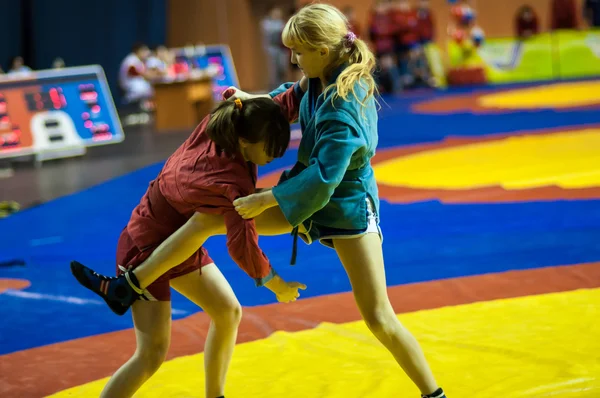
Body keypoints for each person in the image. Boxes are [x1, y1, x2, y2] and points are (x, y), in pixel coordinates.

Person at [70, 86, 306, 398]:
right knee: (150, 355)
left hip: (178, 241)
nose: (276, 156)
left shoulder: (220, 125)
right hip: (144, 246)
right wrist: (277, 284)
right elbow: (242, 245)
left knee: (227, 312)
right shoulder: (231, 184)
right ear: (246, 142)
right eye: (271, 150)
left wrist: (309, 82)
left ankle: (214, 395)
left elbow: (276, 108)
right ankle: (126, 286)